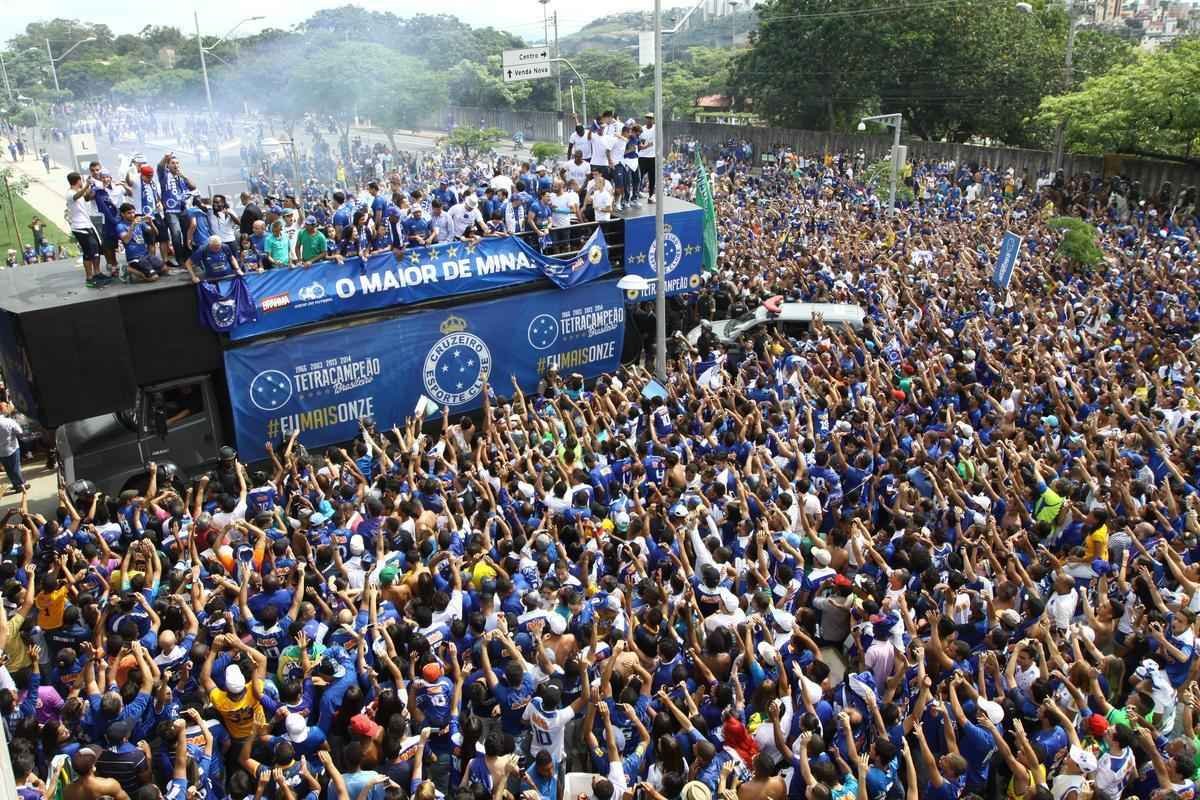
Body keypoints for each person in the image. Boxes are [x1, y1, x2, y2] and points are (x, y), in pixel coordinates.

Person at [66, 172, 105, 288]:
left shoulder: (80, 191)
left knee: (96, 249)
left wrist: (93, 187)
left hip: (88, 224)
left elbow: (87, 197)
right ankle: (89, 277)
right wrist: (86, 186)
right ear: (78, 181)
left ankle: (97, 273)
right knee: (88, 252)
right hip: (79, 227)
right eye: (81, 180)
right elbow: (77, 195)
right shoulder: (70, 193)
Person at [0, 402, 28, 493]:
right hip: (12, 447)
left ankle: (16, 484)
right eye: (6, 406)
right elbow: (20, 431)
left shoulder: (7, 421)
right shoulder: (8, 421)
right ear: (2, 410)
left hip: (1, 451)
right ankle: (21, 485)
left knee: (9, 469)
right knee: (15, 467)